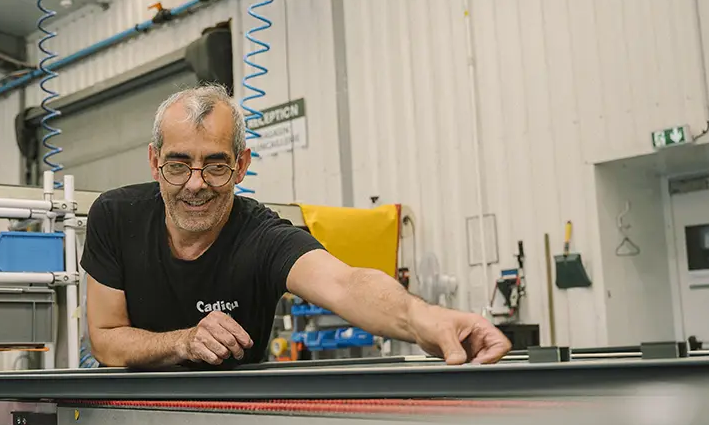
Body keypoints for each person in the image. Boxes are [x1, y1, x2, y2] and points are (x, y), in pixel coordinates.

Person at [80, 83, 512, 369]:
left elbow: (345, 284)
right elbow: (105, 339)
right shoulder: (116, 216)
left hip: (231, 423)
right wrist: (183, 342)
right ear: (154, 161)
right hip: (128, 416)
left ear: (241, 166)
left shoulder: (263, 238)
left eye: (216, 165)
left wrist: (425, 318)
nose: (196, 184)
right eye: (178, 165)